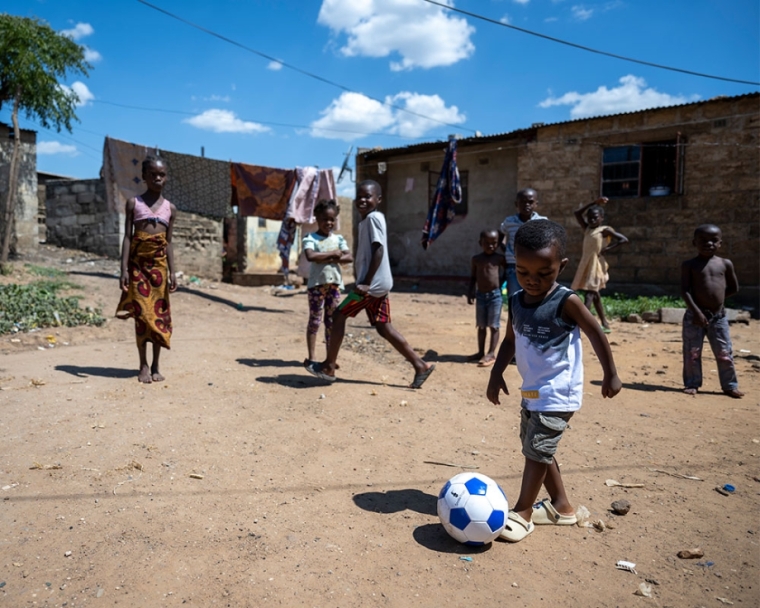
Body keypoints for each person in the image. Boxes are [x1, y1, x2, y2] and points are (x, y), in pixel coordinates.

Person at [486, 219, 621, 543]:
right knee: (536, 447)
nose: (532, 280)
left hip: (559, 392)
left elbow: (595, 332)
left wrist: (611, 373)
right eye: (522, 271)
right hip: (531, 390)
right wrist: (496, 374)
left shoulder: (566, 301)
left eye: (543, 273)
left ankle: (523, 512)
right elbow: (509, 341)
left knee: (536, 450)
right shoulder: (517, 300)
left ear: (561, 266)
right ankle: (561, 507)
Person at [306, 180, 435, 388]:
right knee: (384, 327)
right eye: (360, 196)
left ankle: (329, 367)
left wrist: (365, 282)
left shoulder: (374, 218)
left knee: (338, 315)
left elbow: (379, 250)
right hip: (378, 284)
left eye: (368, 196)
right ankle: (420, 365)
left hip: (371, 287)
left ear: (379, 199)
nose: (363, 200)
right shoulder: (366, 221)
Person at [116, 156, 177, 383]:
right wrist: (123, 270)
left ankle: (156, 365)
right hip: (138, 268)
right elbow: (127, 238)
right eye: (153, 174)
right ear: (144, 176)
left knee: (159, 316)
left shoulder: (170, 208)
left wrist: (172, 272)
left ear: (166, 177)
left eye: (162, 174)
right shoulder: (134, 203)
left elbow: (168, 243)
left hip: (159, 270)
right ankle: (142, 364)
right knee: (142, 316)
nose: (158, 178)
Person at [681, 224, 743, 398]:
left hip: (718, 317)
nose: (708, 244)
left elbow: (733, 287)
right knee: (692, 352)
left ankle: (730, 385)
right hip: (695, 316)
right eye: (703, 240)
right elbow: (685, 291)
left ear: (720, 243)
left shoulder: (725, 264)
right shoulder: (689, 265)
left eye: (713, 240)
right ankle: (692, 383)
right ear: (694, 243)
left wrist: (716, 305)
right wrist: (698, 312)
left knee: (724, 353)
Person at [302, 199, 353, 367]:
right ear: (317, 218)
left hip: (335, 286)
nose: (329, 223)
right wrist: (334, 255)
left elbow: (349, 257)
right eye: (325, 219)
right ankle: (312, 357)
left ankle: (330, 359)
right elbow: (311, 256)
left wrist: (326, 256)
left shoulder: (338, 238)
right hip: (317, 285)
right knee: (315, 320)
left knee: (331, 321)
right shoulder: (310, 238)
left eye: (332, 219)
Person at [570, 198, 628, 332]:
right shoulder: (588, 229)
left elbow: (624, 239)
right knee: (595, 295)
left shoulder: (604, 230)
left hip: (596, 265)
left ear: (601, 218)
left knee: (589, 294)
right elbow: (577, 214)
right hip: (586, 263)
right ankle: (605, 323)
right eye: (589, 218)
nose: (591, 220)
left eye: (595, 217)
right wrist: (593, 202)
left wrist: (608, 249)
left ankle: (581, 322)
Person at [468, 229, 507, 367]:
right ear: (480, 243)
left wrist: (502, 284)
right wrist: (470, 291)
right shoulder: (476, 259)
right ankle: (480, 352)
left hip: (495, 296)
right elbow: (473, 277)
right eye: (487, 243)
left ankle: (491, 353)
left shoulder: (499, 259)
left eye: (494, 243)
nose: (491, 246)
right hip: (480, 295)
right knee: (481, 325)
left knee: (494, 325)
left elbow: (507, 271)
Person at [499, 188, 546, 303]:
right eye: (522, 202)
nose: (526, 205)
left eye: (530, 202)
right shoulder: (509, 222)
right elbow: (500, 236)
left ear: (536, 204)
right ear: (516, 204)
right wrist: (507, 252)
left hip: (535, 267)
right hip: (514, 266)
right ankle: (515, 320)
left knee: (534, 296)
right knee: (515, 297)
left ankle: (530, 320)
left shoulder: (542, 222)